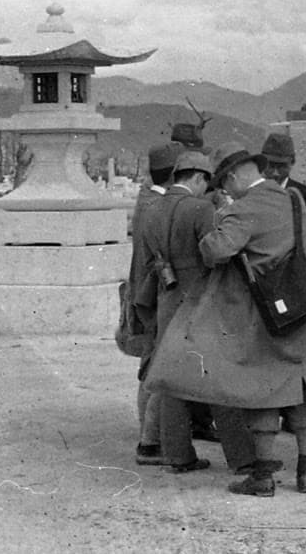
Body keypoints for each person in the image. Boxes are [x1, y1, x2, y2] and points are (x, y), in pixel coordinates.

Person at [199, 141, 306, 497]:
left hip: (269, 313)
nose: (224, 191)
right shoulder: (294, 199)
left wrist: (216, 223)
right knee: (305, 386)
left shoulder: (244, 209)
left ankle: (263, 476)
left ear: (234, 177)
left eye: (224, 184)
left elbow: (216, 251)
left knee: (266, 388)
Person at [137, 150, 257, 475]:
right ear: (198, 178)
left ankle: (178, 456)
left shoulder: (150, 208)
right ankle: (243, 459)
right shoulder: (201, 208)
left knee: (174, 381)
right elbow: (215, 253)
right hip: (200, 302)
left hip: (167, 300)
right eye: (207, 182)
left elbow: (149, 259)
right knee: (218, 378)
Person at [127, 141, 181, 466]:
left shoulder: (146, 201)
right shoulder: (160, 209)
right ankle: (150, 441)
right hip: (159, 296)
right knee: (161, 368)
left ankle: (147, 438)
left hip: (144, 296)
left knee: (149, 366)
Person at [261, 132, 306, 220]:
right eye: (271, 166)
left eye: (281, 167)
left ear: (292, 162)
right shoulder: (251, 192)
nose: (275, 173)